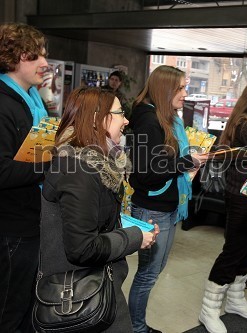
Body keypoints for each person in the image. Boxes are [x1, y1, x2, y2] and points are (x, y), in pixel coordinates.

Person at [40, 87, 158, 332]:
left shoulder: (94, 162)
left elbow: (92, 217)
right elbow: (82, 248)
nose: (126, 120)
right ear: (97, 118)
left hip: (93, 283)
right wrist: (134, 237)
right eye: (120, 113)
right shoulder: (80, 170)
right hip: (78, 293)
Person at [128, 65, 206, 333]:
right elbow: (147, 172)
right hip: (152, 209)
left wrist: (187, 164)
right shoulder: (148, 120)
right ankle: (137, 329)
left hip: (167, 205)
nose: (185, 94)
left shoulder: (166, 118)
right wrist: (185, 162)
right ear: (165, 90)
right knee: (148, 274)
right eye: (181, 88)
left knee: (153, 271)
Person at [199, 77, 247, 333]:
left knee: (246, 249)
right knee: (234, 251)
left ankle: (235, 300)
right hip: (244, 197)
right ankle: (208, 310)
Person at [0, 22, 50, 332]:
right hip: (12, 228)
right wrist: (52, 163)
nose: (45, 63)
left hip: (32, 218)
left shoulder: (32, 101)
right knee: (10, 308)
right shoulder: (5, 104)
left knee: (26, 307)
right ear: (14, 58)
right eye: (36, 56)